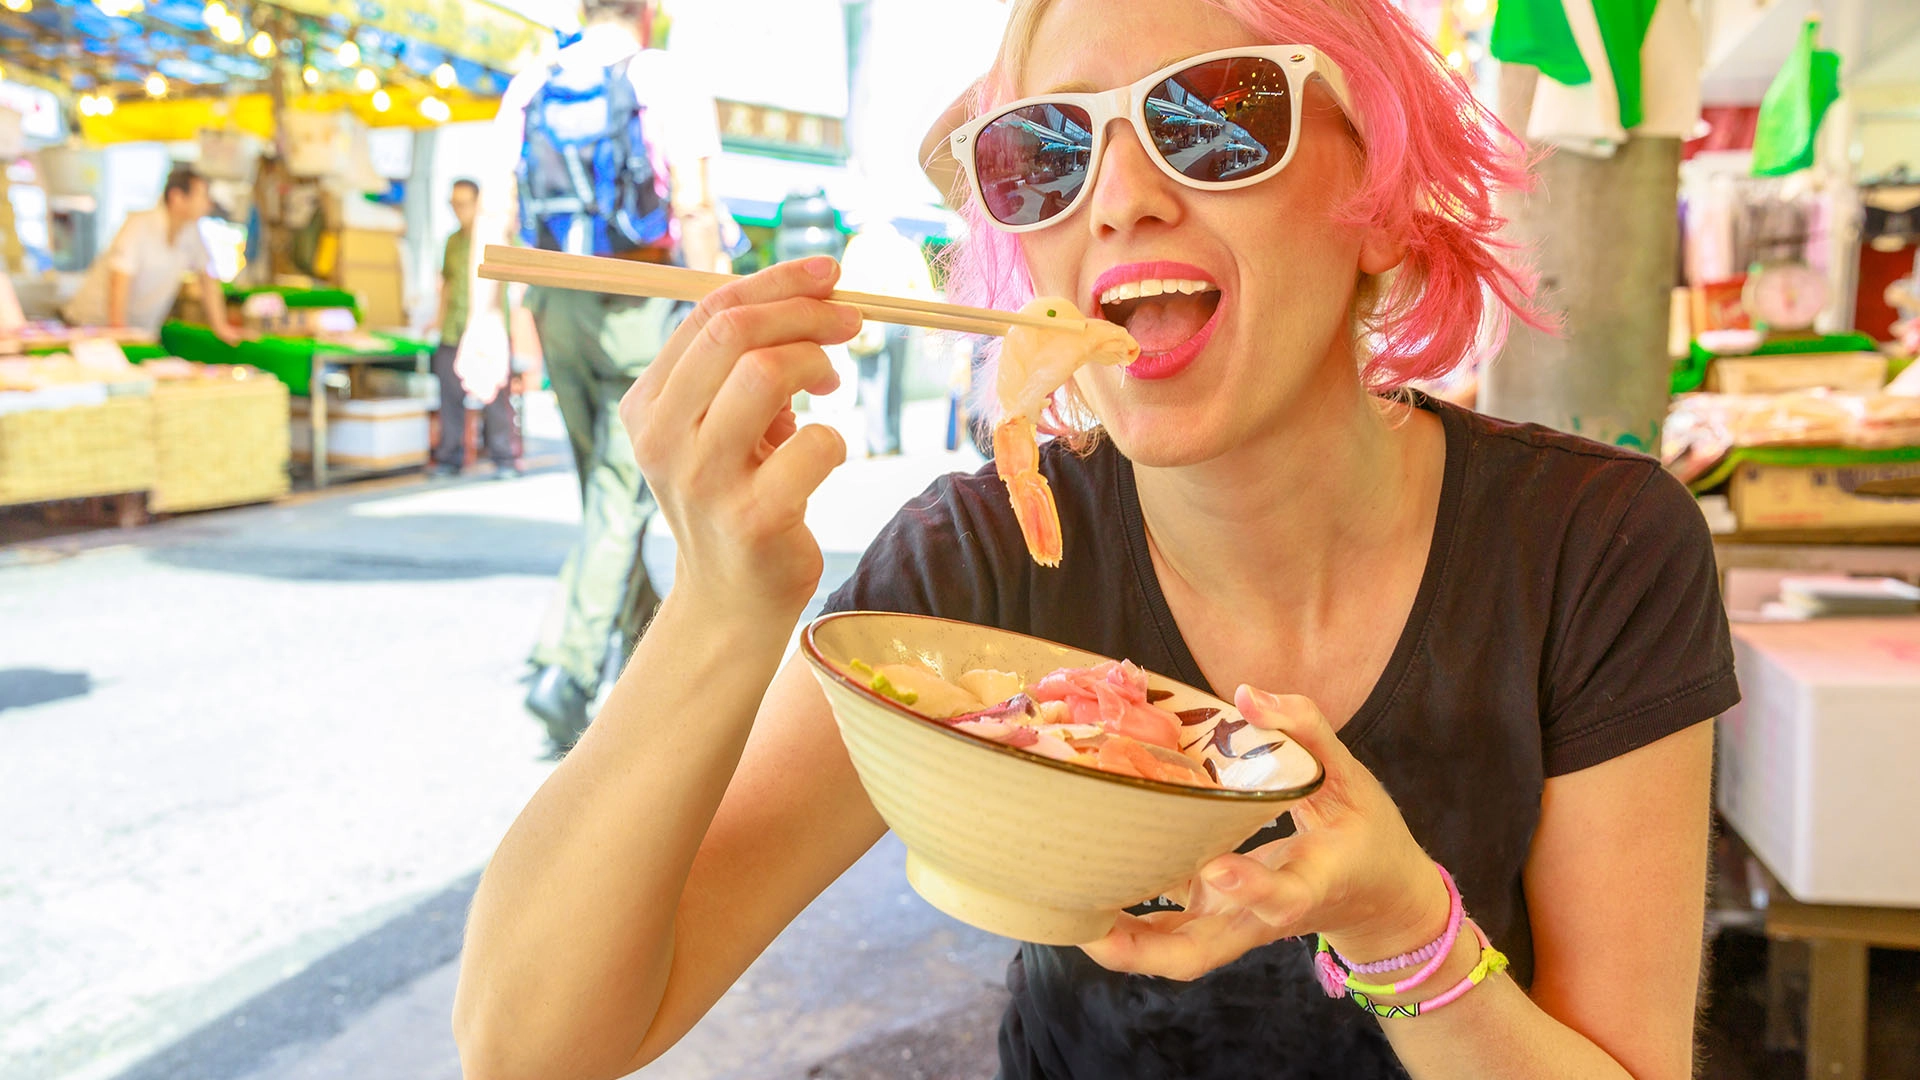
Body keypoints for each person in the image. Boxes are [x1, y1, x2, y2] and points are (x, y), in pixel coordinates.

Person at [453, 1, 1739, 1078]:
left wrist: (1406, 931)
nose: (1118, 200)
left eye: (1216, 118)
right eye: (1045, 153)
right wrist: (721, 606)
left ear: (1388, 201)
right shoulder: (987, 561)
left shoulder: (1597, 547)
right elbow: (533, 1043)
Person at [461, 0, 724, 749]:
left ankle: (644, 655)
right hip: (641, 298)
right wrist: (712, 314)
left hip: (553, 300)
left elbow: (496, 209)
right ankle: (566, 671)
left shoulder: (533, 82)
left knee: (609, 497)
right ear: (647, 11)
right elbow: (697, 208)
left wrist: (485, 316)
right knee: (620, 495)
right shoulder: (665, 78)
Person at [65, 166, 238, 344]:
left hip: (140, 333)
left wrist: (221, 327)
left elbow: (208, 278)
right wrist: (119, 333)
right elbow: (119, 282)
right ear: (177, 197)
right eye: (203, 196)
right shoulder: (139, 225)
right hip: (92, 327)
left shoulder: (192, 231)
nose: (208, 203)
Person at [426, 178, 519, 479]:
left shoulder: (498, 235)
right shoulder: (452, 241)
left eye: (463, 204)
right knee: (449, 397)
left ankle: (503, 458)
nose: (458, 211)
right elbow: (447, 285)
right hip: (454, 329)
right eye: (453, 204)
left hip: (489, 330)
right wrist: (437, 322)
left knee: (494, 396)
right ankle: (450, 457)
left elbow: (519, 282)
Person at [839, 210, 936, 456]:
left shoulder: (858, 247)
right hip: (901, 321)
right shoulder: (904, 247)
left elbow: (844, 284)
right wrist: (929, 328)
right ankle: (893, 441)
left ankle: (877, 442)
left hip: (870, 321)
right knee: (895, 382)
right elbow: (923, 287)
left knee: (872, 382)